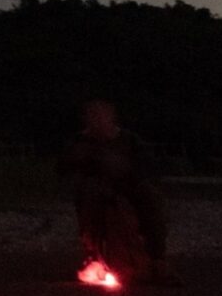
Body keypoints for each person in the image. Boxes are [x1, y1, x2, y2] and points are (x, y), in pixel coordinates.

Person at [60, 98, 175, 283]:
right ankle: (94, 257)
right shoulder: (79, 141)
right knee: (89, 196)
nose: (97, 120)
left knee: (150, 198)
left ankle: (156, 257)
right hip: (94, 188)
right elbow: (65, 170)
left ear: (111, 117)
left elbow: (147, 169)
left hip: (128, 187)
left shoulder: (130, 141)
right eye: (92, 115)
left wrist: (124, 170)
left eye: (102, 115)